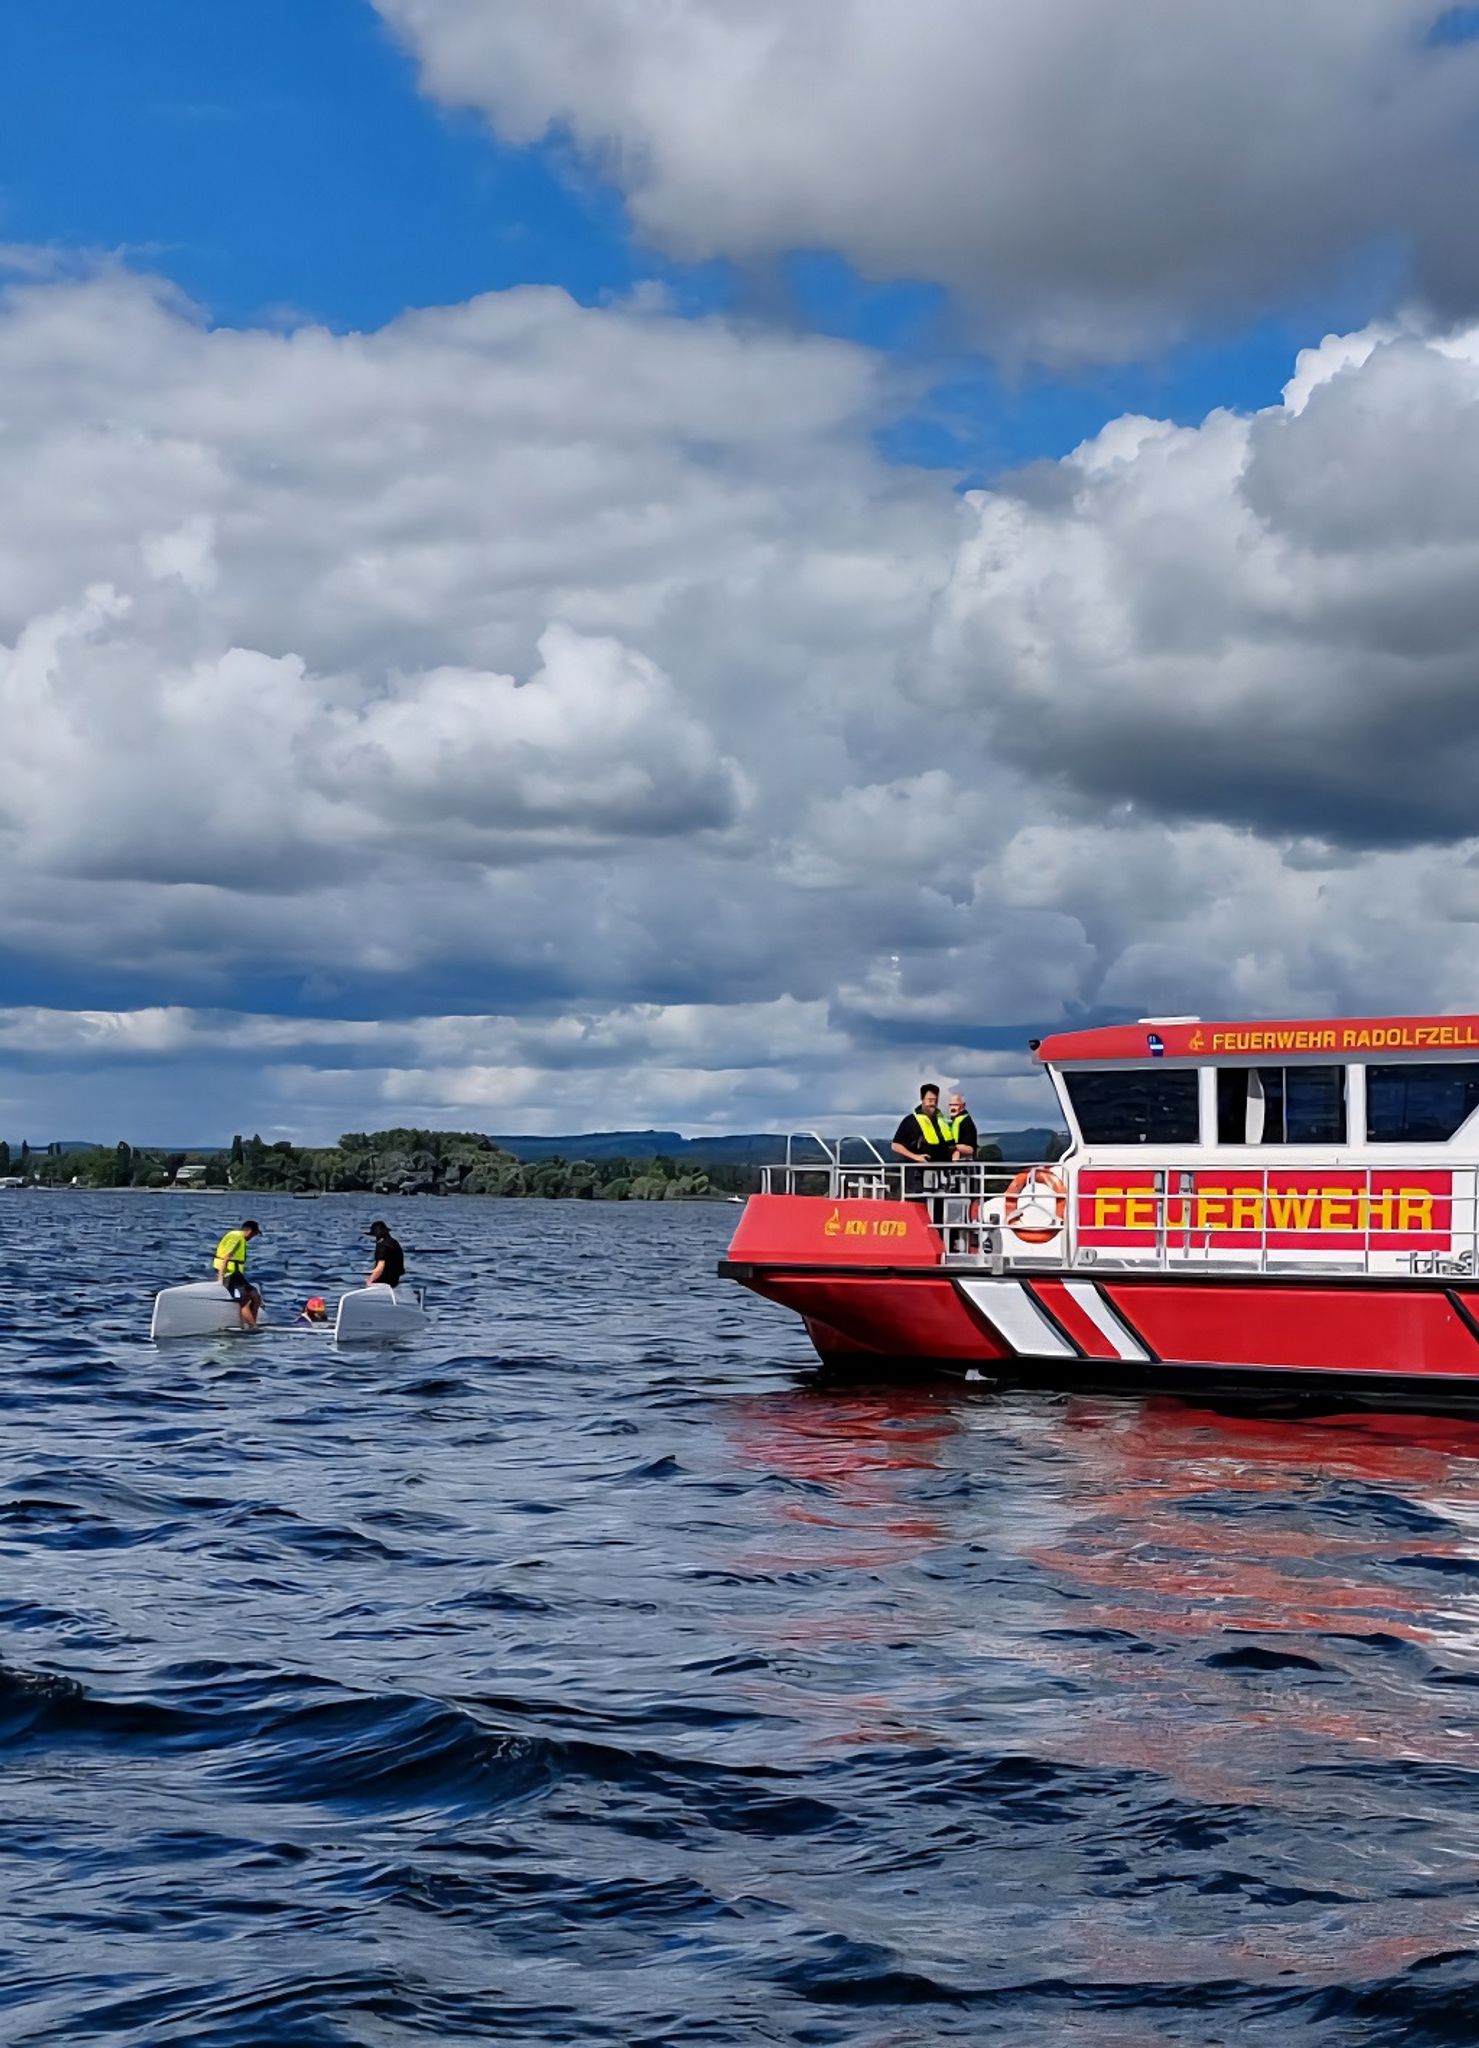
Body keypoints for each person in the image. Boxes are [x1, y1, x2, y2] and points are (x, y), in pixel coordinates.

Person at [214, 1219, 262, 1328]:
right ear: (250, 1231)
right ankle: (253, 1327)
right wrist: (220, 1280)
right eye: (254, 1234)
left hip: (237, 1275)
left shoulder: (240, 1238)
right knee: (245, 1300)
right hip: (229, 1275)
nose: (252, 1237)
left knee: (255, 1297)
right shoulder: (236, 1237)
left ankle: (251, 1324)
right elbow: (226, 1257)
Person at [892, 1084, 954, 1165]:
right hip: (921, 1169)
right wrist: (916, 1157)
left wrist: (955, 1155)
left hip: (946, 1168)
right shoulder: (910, 1120)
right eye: (930, 1100)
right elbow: (895, 1146)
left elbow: (953, 1145)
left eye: (936, 1100)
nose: (933, 1103)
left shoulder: (944, 1121)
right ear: (922, 1099)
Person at [365, 1220, 405, 1290]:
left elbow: (380, 1267)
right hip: (396, 1279)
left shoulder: (382, 1246)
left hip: (386, 1280)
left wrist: (369, 1281)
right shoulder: (394, 1242)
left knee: (367, 1281)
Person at [943, 1092, 978, 1161]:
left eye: (955, 1105)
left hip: (963, 1163)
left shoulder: (966, 1122)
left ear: (963, 1106)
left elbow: (971, 1149)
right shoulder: (950, 1121)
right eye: (950, 1105)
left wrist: (953, 1148)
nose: (952, 1108)